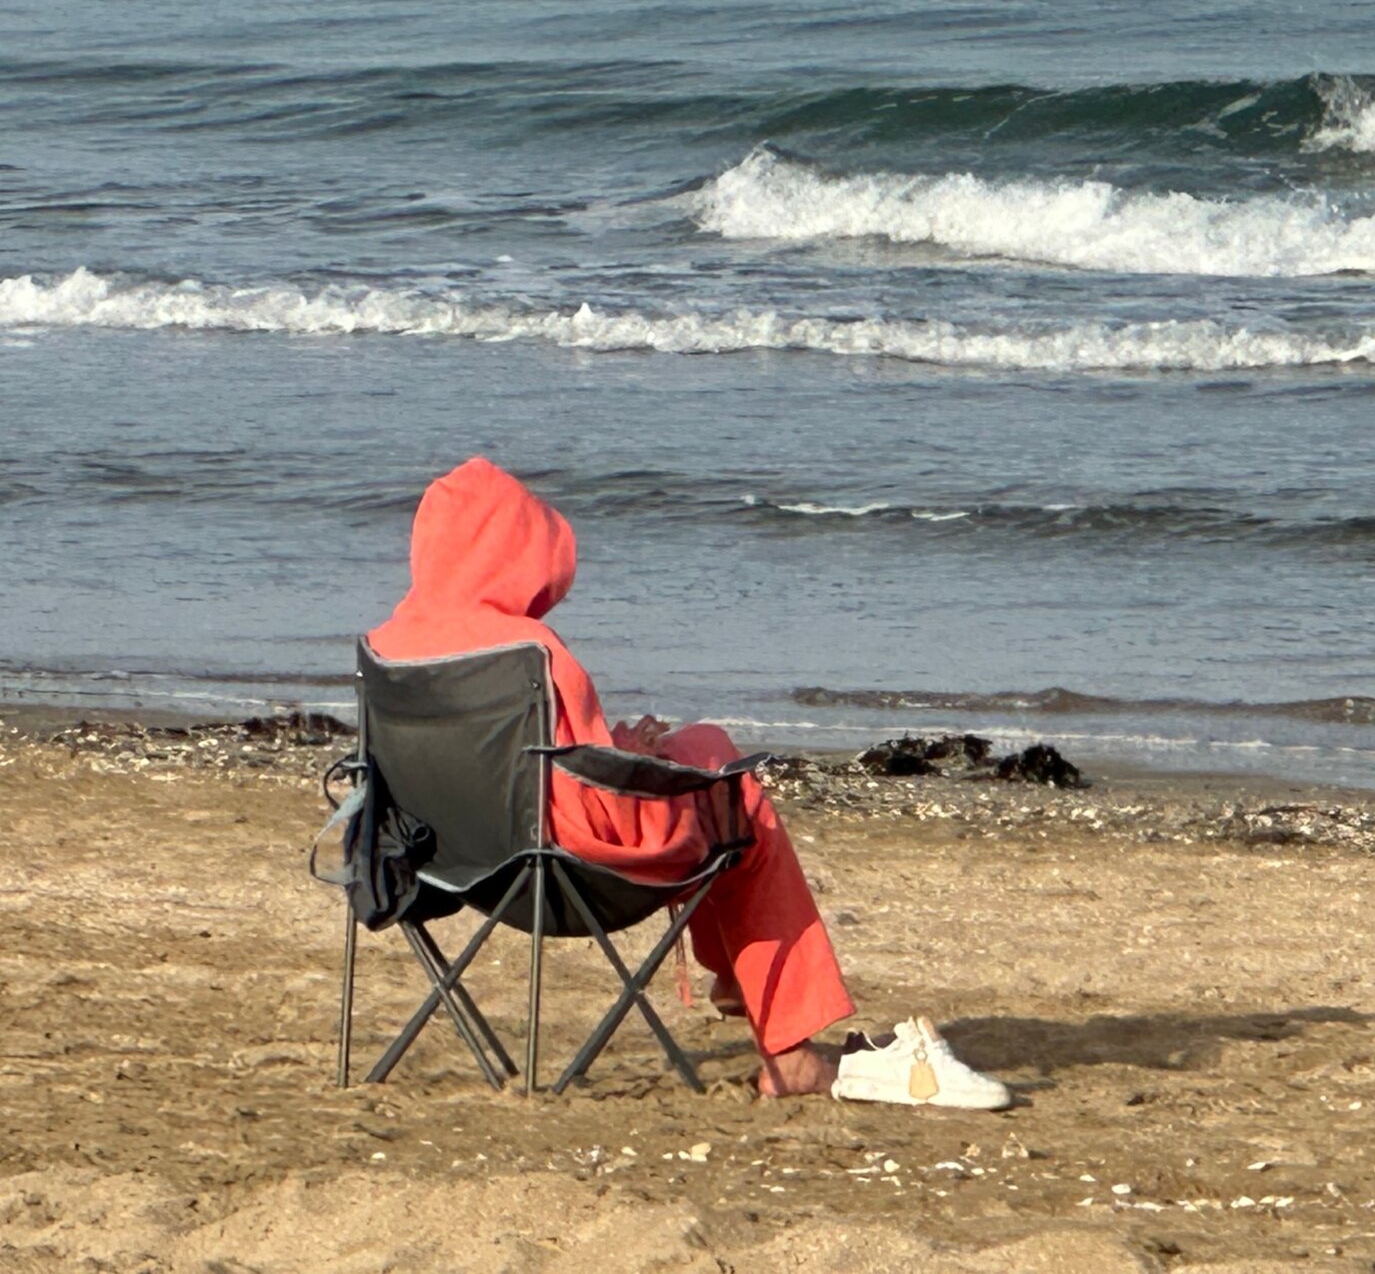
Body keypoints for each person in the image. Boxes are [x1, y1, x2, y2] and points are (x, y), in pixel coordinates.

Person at [369, 457, 1009, 1109]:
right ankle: (782, 1041)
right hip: (567, 876)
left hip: (452, 868)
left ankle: (747, 984)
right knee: (730, 790)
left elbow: (513, 768)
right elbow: (590, 800)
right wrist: (642, 759)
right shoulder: (529, 655)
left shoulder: (388, 647)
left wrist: (617, 749)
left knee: (699, 762)